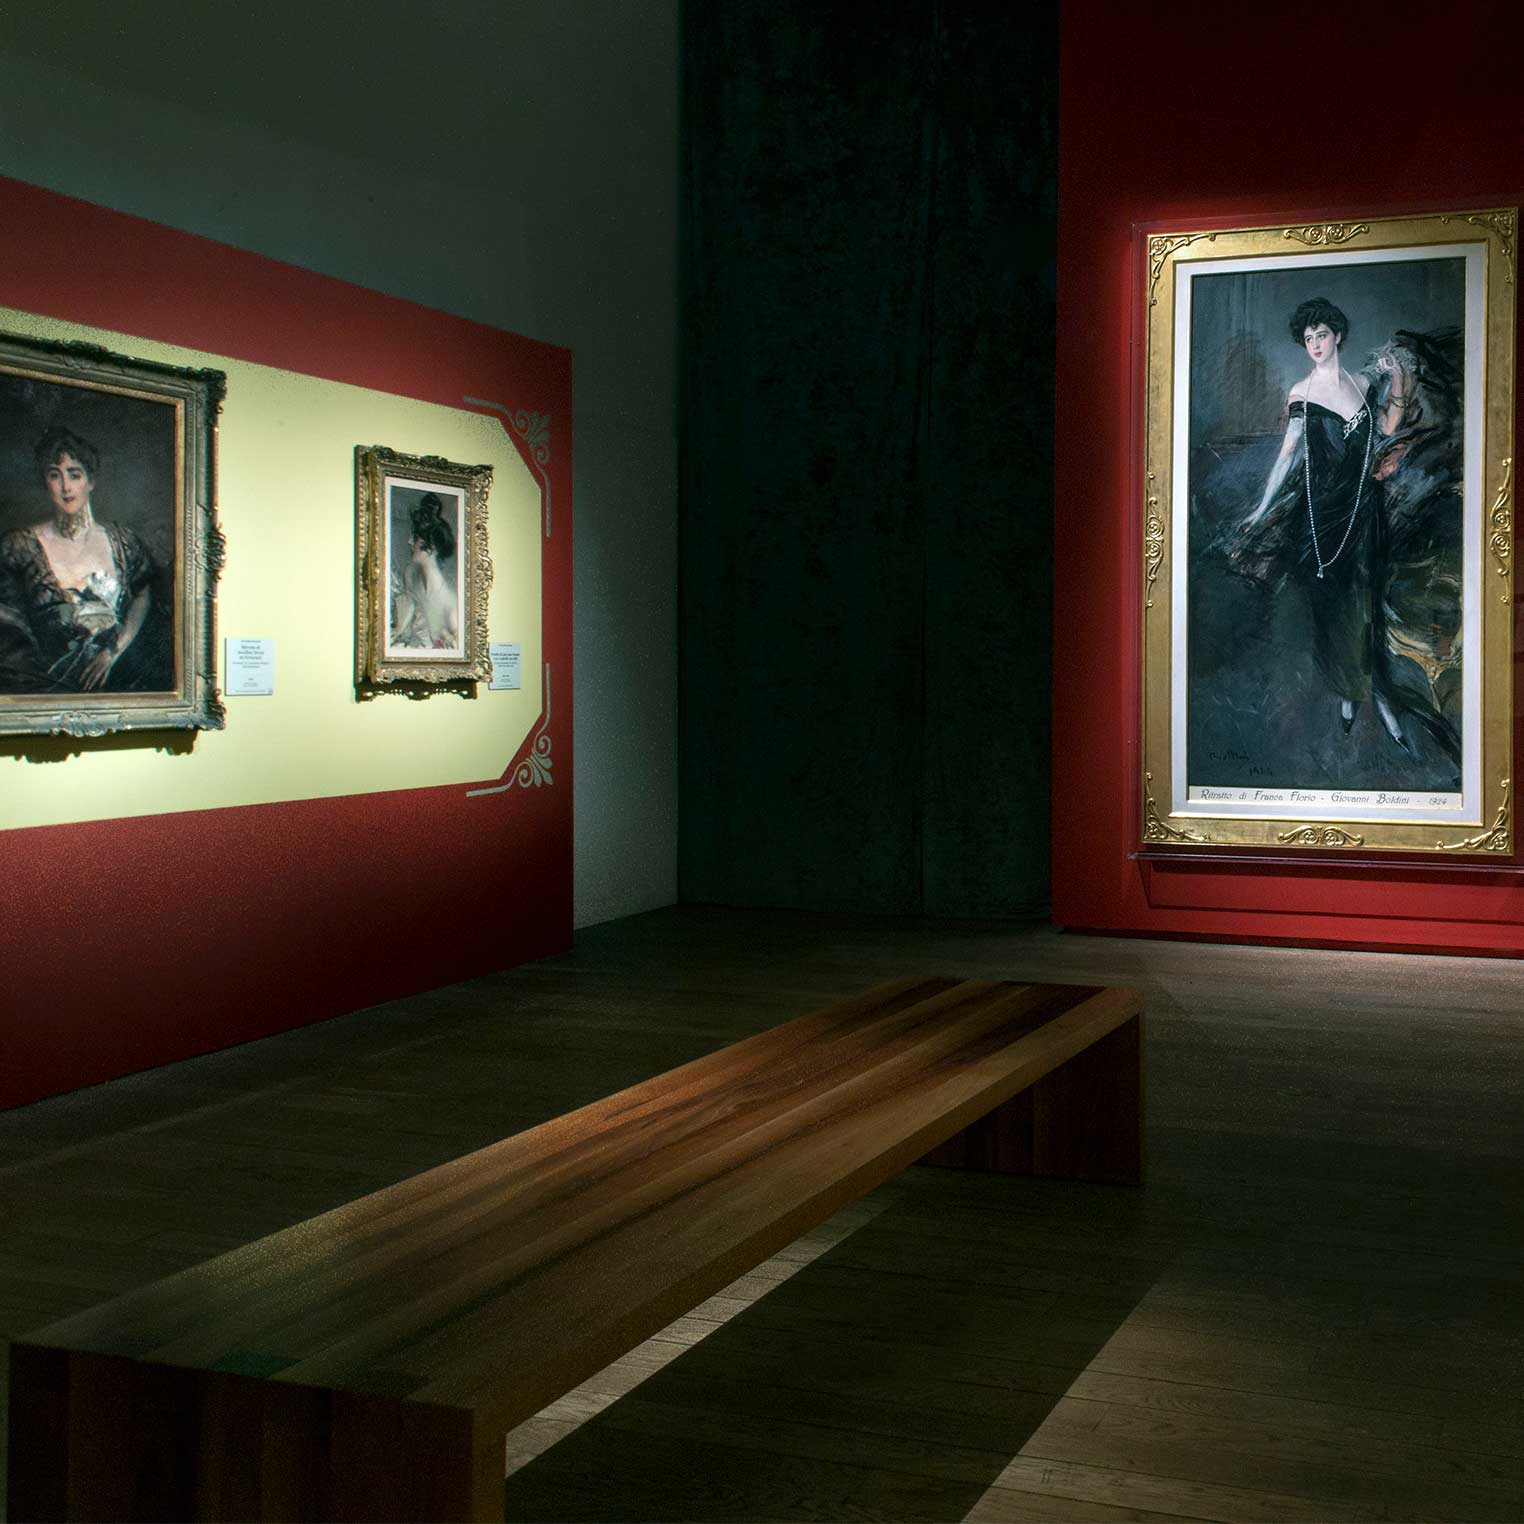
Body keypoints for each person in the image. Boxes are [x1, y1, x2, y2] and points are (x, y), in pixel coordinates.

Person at [1228, 298, 1459, 764]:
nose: (1315, 344)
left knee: (1370, 604)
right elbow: (1287, 456)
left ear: (1337, 336)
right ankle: (1349, 693)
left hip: (1365, 511)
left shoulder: (1363, 383)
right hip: (1322, 520)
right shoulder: (1301, 393)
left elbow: (1385, 430)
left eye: (1321, 335)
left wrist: (1398, 381)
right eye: (1308, 338)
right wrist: (1261, 507)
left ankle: (1383, 697)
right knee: (1337, 611)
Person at [0, 425, 169, 694]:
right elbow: (10, 626)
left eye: (74, 474)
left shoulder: (123, 542)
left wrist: (113, 652)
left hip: (119, 689)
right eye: (55, 475)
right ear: (46, 483)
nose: (66, 487)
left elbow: (143, 593)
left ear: (90, 482)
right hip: (46, 690)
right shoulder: (19, 546)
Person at [390, 492, 459, 650]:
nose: (409, 542)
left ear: (431, 546)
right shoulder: (411, 576)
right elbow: (405, 628)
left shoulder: (449, 601)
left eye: (415, 538)